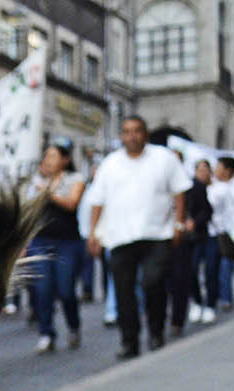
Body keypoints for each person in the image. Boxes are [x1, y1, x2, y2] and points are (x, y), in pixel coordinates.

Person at [86, 115, 189, 358]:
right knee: (123, 290)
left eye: (137, 131)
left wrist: (179, 224)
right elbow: (97, 201)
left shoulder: (164, 159)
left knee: (152, 282)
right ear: (121, 136)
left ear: (146, 133)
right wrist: (93, 233)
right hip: (120, 236)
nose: (132, 136)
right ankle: (129, 341)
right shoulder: (110, 164)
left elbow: (179, 191)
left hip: (157, 233)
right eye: (127, 132)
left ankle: (155, 331)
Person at [27, 140, 85, 353]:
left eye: (53, 156)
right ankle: (46, 333)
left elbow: (71, 204)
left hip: (67, 242)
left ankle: (73, 326)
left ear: (65, 159)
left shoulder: (74, 179)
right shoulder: (35, 182)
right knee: (42, 290)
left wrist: (47, 193)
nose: (48, 160)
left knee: (66, 289)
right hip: (40, 241)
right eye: (46, 156)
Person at [171, 158, 214, 333]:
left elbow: (207, 211)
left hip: (193, 238)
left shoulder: (195, 186)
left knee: (194, 270)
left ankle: (205, 304)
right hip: (167, 237)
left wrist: (193, 222)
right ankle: (194, 301)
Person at [205, 155, 234, 310]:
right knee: (213, 266)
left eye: (218, 166)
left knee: (228, 264)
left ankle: (227, 297)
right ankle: (216, 295)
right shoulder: (212, 186)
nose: (215, 170)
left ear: (227, 170)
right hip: (213, 231)